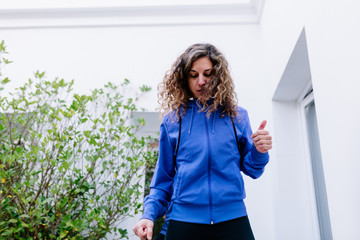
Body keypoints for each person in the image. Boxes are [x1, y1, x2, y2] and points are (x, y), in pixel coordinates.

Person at [133, 43, 272, 240]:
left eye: (207, 74)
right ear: (184, 79)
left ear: (218, 76)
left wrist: (259, 150)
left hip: (233, 219)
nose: (201, 82)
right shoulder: (173, 121)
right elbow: (162, 180)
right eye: (193, 75)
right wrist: (148, 215)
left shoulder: (237, 116)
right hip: (184, 221)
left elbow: (253, 170)